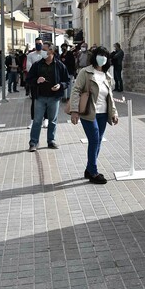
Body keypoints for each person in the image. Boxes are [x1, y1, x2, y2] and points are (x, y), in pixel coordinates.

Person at [69, 46, 118, 184]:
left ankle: (89, 169)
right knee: (95, 140)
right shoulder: (86, 72)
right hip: (89, 113)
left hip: (103, 114)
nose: (102, 58)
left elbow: (110, 96)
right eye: (100, 55)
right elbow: (76, 90)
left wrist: (114, 112)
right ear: (95, 56)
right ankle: (93, 172)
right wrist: (74, 111)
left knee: (97, 142)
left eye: (105, 55)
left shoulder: (107, 76)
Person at [26, 42, 69, 152]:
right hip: (40, 97)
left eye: (45, 49)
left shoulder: (60, 65)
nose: (42, 52)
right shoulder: (37, 65)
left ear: (52, 51)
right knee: (37, 120)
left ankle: (51, 141)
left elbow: (67, 81)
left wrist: (60, 85)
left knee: (53, 121)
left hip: (54, 98)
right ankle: (33, 142)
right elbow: (29, 79)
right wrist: (36, 80)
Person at [26, 38, 49, 129]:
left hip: (45, 81)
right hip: (35, 82)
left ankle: (46, 119)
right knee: (34, 101)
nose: (38, 45)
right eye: (36, 43)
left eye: (40, 43)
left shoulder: (45, 54)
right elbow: (29, 67)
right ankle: (33, 120)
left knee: (46, 100)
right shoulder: (30, 55)